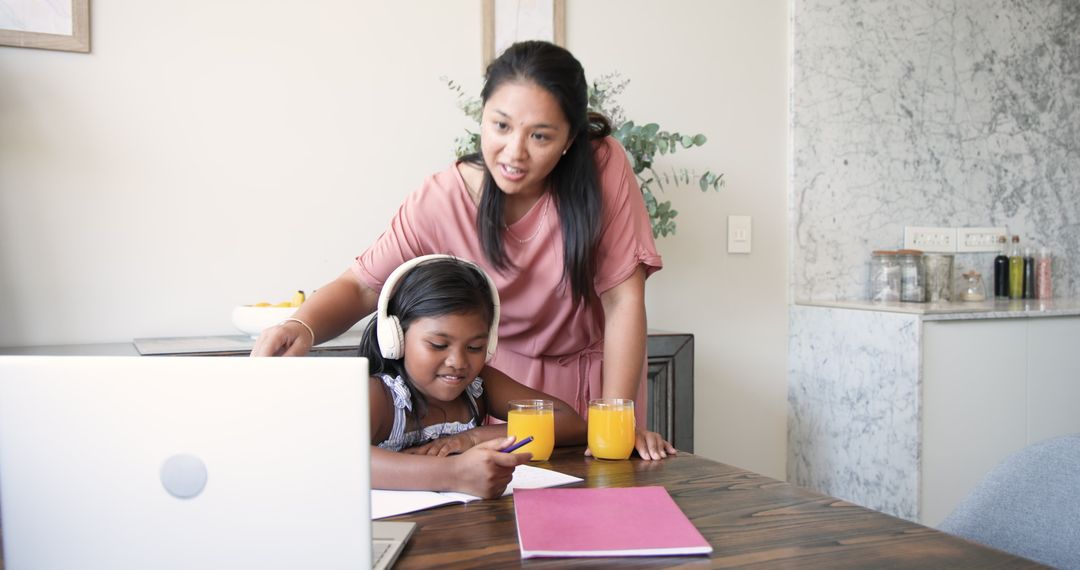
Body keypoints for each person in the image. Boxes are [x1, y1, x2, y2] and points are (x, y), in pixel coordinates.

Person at [252, 40, 675, 460]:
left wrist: (619, 419)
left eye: (541, 136)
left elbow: (623, 299)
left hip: (600, 386)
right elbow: (362, 287)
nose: (514, 153)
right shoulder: (442, 199)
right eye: (501, 126)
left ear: (569, 139)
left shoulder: (603, 166)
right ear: (482, 114)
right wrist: (301, 327)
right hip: (507, 392)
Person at [363, 255, 587, 498]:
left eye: (474, 348)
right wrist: (455, 473)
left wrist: (472, 437)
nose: (458, 362)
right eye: (438, 345)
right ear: (396, 338)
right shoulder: (380, 396)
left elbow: (570, 423)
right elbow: (338, 455)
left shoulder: (479, 385)